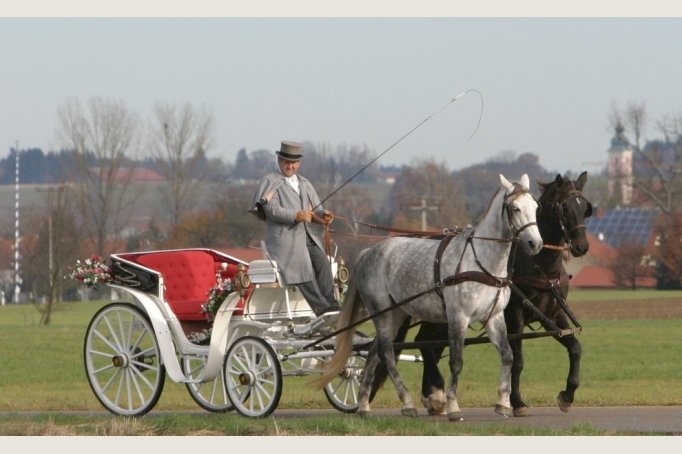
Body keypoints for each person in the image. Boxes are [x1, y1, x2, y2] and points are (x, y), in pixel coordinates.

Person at [251, 140, 340, 317]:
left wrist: (324, 215)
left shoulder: (305, 183)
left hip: (307, 237)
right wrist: (296, 215)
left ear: (299, 163)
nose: (290, 166)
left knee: (322, 262)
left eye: (293, 163)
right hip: (285, 240)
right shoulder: (270, 182)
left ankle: (332, 304)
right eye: (286, 162)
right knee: (302, 265)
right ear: (279, 161)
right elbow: (270, 210)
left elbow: (316, 209)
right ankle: (321, 308)